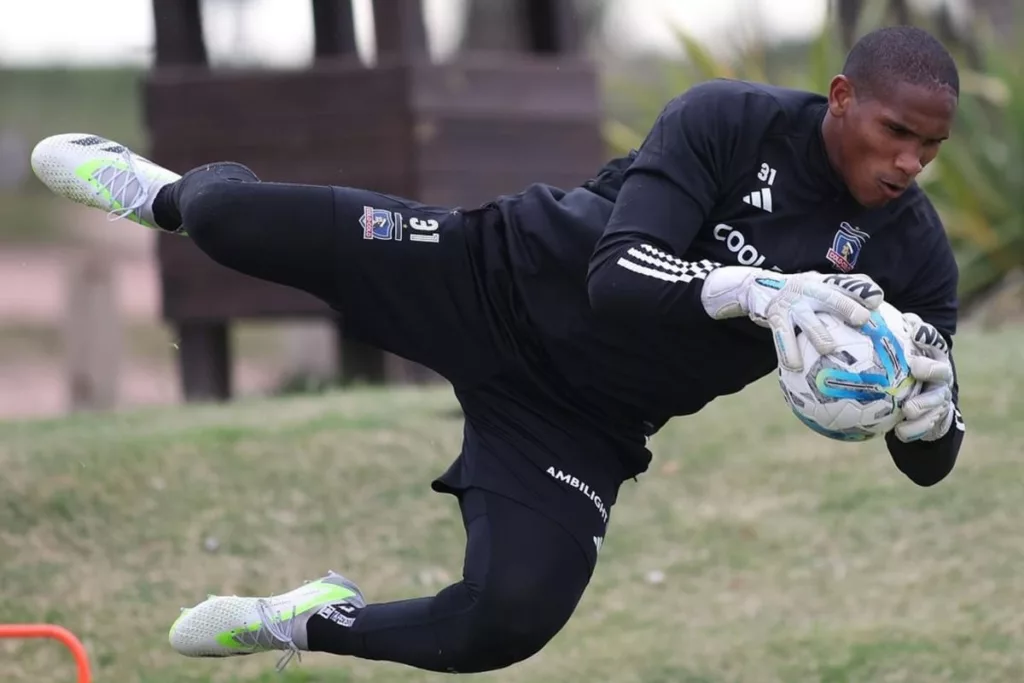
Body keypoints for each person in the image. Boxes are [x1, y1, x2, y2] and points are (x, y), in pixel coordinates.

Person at [31, 24, 966, 676]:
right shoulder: (728, 119)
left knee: (506, 621)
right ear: (842, 97)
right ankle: (160, 193)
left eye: (928, 149)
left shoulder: (913, 253)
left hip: (584, 420)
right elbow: (617, 272)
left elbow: (928, 465)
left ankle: (301, 618)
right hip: (493, 273)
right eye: (894, 133)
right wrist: (749, 290)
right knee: (230, 216)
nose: (906, 164)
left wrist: (934, 415)